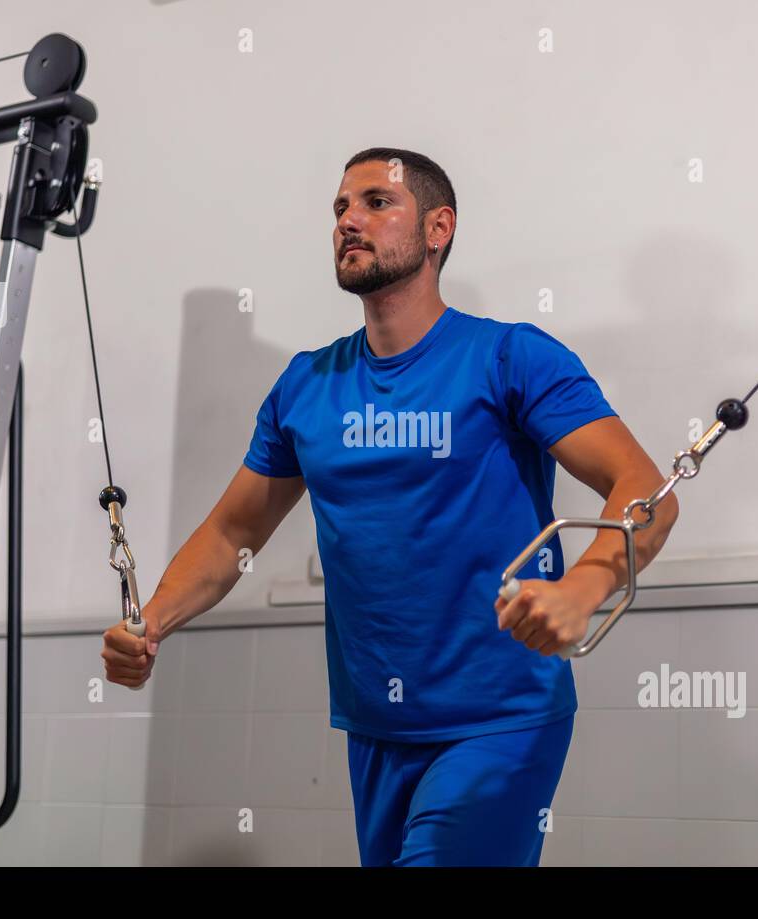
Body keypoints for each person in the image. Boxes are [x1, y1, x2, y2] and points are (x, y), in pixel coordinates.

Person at [101, 147, 679, 865]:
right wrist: (148, 622)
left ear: (438, 229)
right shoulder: (306, 385)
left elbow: (645, 488)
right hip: (375, 724)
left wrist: (584, 585)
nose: (349, 220)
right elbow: (232, 533)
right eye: (341, 208)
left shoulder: (509, 358)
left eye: (377, 202)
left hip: (500, 718)